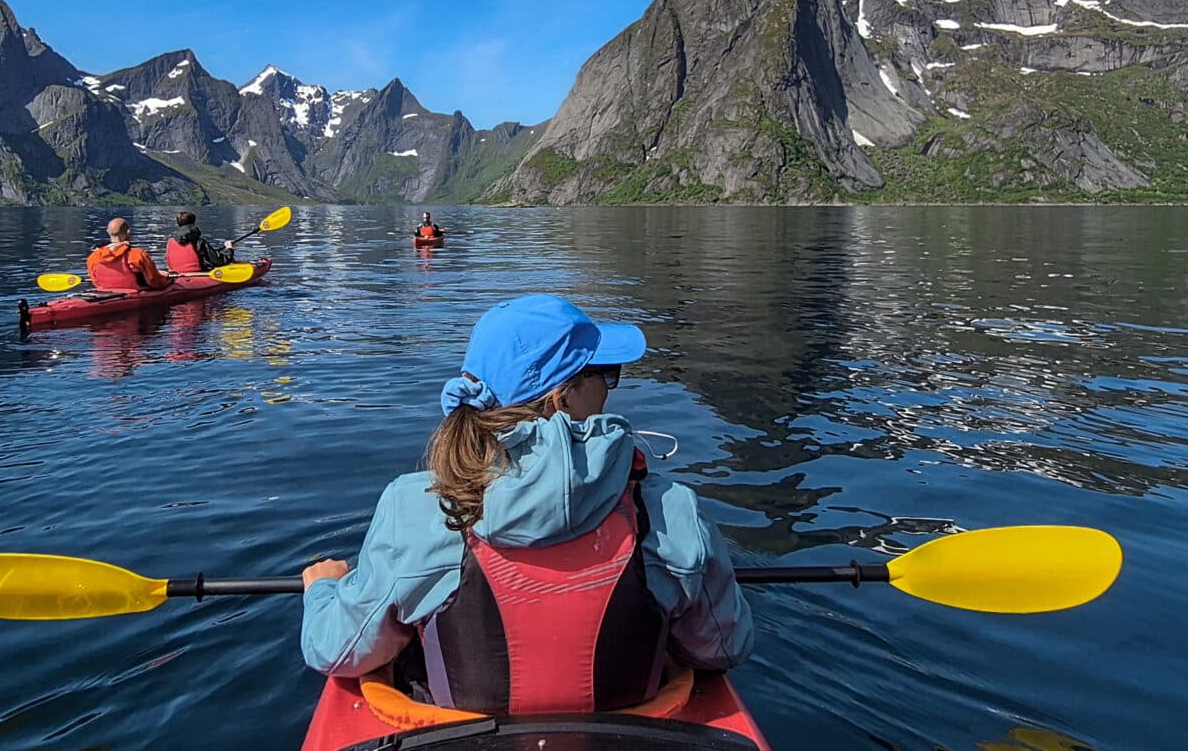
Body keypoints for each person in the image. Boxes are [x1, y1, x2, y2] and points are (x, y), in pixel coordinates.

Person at [300, 295, 752, 714]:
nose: (611, 389)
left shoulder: (416, 506)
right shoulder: (671, 511)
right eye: (604, 375)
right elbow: (722, 649)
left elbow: (336, 651)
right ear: (563, 397)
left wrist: (324, 589)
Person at [84, 218, 171, 293]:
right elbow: (154, 281)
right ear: (128, 232)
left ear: (107, 231)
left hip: (105, 293)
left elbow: (96, 282)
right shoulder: (137, 254)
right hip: (135, 293)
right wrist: (165, 278)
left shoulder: (93, 257)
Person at [165, 210, 235, 273]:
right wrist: (229, 249)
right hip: (199, 273)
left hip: (177, 274)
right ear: (193, 224)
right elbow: (220, 261)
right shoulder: (199, 242)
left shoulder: (171, 242)